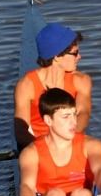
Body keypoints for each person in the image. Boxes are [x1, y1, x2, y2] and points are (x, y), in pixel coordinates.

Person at [14, 22, 92, 151]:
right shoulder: (26, 86)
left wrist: (65, 143)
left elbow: (83, 114)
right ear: (56, 57)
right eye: (75, 53)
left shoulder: (82, 81)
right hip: (37, 147)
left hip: (70, 143)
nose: (80, 57)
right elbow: (21, 131)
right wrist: (46, 151)